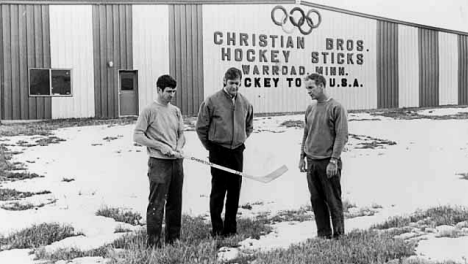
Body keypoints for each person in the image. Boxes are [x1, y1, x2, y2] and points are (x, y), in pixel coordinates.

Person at [196, 67, 254, 237]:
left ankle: (230, 227)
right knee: (218, 190)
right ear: (224, 82)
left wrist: (239, 139)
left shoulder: (245, 103)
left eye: (237, 83)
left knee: (235, 190)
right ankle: (217, 228)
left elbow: (249, 126)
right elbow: (201, 127)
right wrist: (211, 147)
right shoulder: (212, 101)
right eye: (231, 83)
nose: (234, 87)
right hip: (218, 151)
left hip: (236, 151)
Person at [133, 74, 185, 248]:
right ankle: (153, 243)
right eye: (168, 91)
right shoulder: (149, 110)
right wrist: (159, 146)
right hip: (159, 163)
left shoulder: (176, 111)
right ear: (159, 90)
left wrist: (178, 147)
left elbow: (181, 134)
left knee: (175, 202)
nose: (171, 95)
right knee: (157, 203)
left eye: (174, 92)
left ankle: (173, 239)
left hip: (176, 162)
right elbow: (138, 136)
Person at [298, 73, 348, 239]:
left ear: (321, 86)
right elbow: (306, 132)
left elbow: (342, 136)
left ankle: (339, 235)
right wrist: (302, 157)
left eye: (311, 87)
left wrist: (333, 160)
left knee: (333, 200)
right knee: (317, 201)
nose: (309, 92)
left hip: (328, 163)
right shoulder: (311, 108)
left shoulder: (336, 108)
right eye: (307, 88)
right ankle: (323, 234)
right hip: (312, 162)